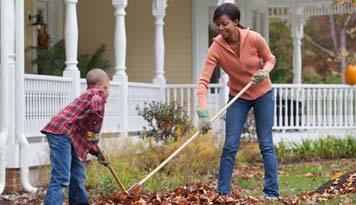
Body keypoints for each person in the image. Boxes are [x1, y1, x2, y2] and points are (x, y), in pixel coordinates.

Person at [196, 3, 279, 199]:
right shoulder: (216, 47)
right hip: (238, 96)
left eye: (225, 24)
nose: (221, 28)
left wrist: (264, 71)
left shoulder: (254, 38)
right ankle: (223, 192)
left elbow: (270, 59)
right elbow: (203, 82)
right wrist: (203, 113)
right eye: (218, 25)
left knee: (265, 143)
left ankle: (272, 192)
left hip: (263, 93)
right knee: (230, 145)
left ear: (236, 22)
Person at [41, 68, 111, 205]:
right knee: (61, 177)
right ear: (105, 86)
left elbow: (84, 134)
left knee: (77, 175)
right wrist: (96, 131)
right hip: (61, 134)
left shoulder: (88, 97)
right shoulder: (98, 94)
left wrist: (97, 153)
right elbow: (96, 110)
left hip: (67, 135)